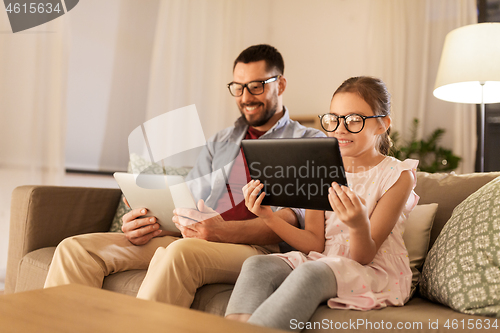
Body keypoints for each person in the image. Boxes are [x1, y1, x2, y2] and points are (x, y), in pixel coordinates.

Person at [43, 44, 325, 308]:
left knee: (179, 254)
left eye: (256, 86)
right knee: (76, 249)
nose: (245, 97)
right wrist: (151, 222)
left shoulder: (307, 141)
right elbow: (190, 205)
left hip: (260, 250)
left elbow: (293, 219)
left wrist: (222, 231)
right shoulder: (221, 141)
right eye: (237, 88)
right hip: (198, 239)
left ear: (281, 84)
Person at [225, 76, 419, 331]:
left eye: (353, 120)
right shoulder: (321, 166)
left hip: (373, 270)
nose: (340, 128)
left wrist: (358, 224)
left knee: (311, 273)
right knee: (257, 264)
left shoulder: (397, 175)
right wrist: (268, 217)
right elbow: (314, 242)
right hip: (325, 258)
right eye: (334, 119)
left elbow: (364, 256)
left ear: (382, 124)